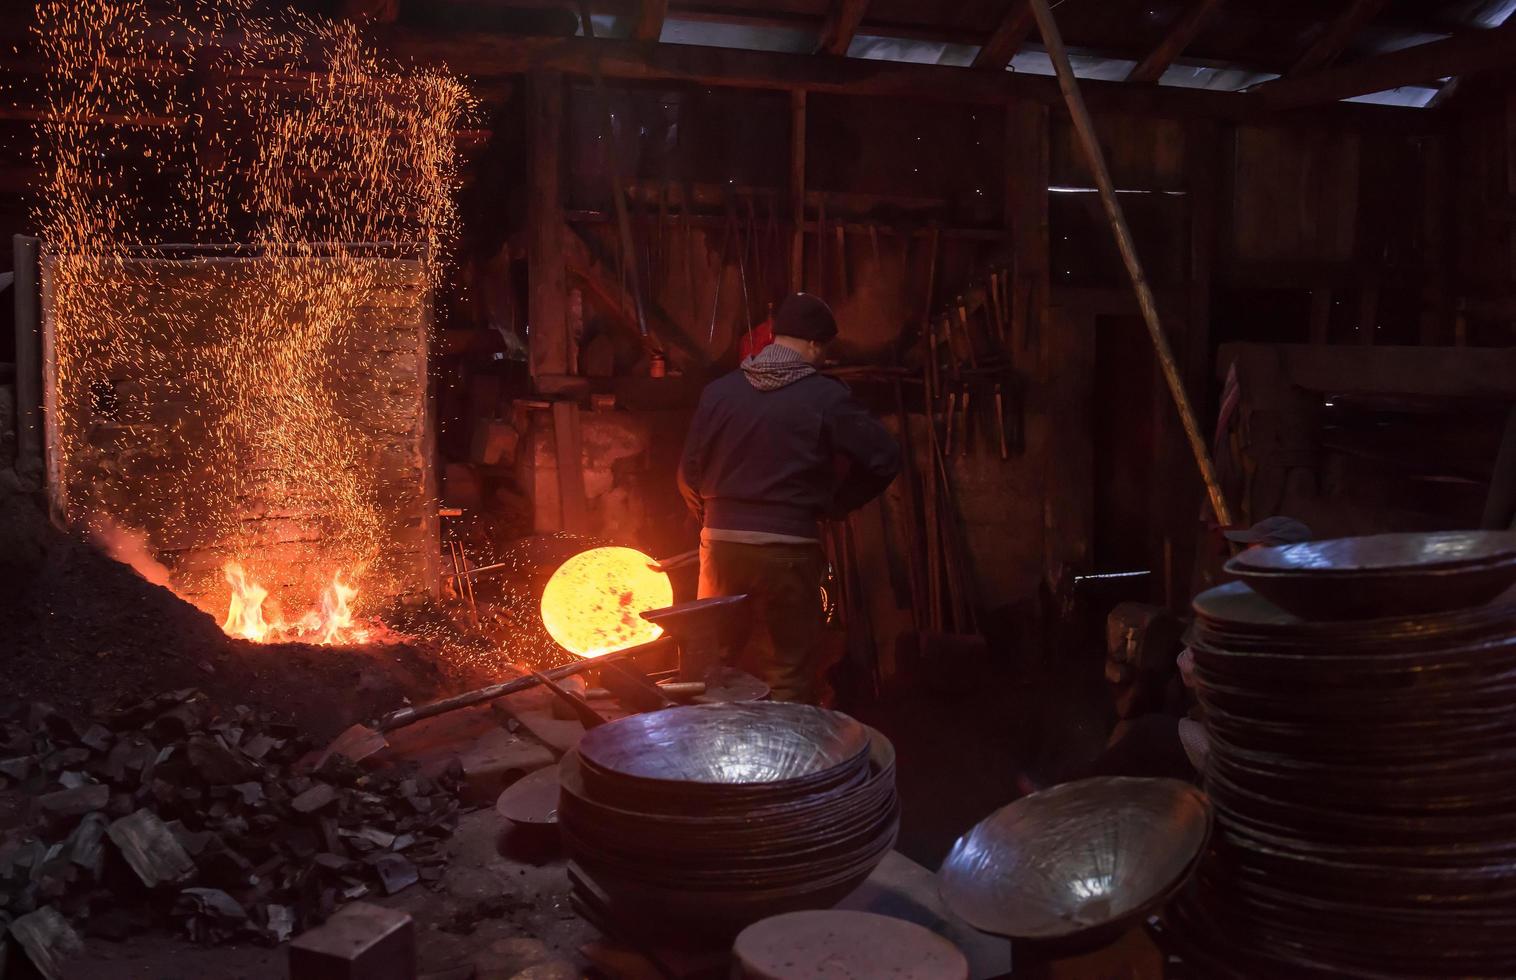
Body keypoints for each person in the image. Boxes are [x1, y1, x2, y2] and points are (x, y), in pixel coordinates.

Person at [678, 293, 901, 704]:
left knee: (714, 667)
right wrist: (836, 505)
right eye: (824, 350)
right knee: (788, 671)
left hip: (722, 546)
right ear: (816, 345)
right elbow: (885, 457)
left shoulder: (719, 392)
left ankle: (708, 760)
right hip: (790, 547)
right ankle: (786, 762)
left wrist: (713, 520)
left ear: (775, 336)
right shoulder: (825, 396)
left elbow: (688, 474)